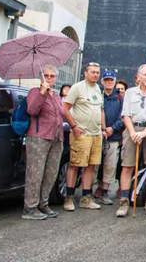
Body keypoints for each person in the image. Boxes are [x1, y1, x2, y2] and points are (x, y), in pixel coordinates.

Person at [116, 64, 146, 217]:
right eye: (145, 75)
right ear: (138, 77)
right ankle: (124, 202)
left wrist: (144, 132)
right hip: (132, 129)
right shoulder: (130, 92)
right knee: (127, 166)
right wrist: (132, 132)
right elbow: (125, 114)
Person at [22, 65, 64, 220]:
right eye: (46, 75)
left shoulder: (56, 95)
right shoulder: (34, 92)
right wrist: (42, 93)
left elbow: (61, 114)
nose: (49, 78)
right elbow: (32, 110)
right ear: (41, 77)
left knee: (51, 173)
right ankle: (30, 207)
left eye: (52, 76)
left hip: (56, 138)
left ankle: (43, 203)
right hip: (39, 137)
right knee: (35, 173)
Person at [62, 62, 105, 212]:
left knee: (91, 166)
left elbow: (100, 110)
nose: (95, 75)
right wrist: (74, 126)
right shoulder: (77, 87)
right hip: (81, 134)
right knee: (75, 165)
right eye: (92, 72)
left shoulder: (98, 88)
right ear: (85, 73)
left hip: (96, 134)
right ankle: (69, 198)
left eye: (97, 72)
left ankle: (86, 198)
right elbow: (65, 108)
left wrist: (103, 129)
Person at [94, 69, 124, 205]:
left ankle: (105, 191)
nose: (109, 82)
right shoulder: (97, 95)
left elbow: (123, 117)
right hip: (97, 135)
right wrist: (101, 129)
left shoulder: (120, 98)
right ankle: (92, 189)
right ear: (102, 81)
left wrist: (113, 128)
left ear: (115, 81)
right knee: (94, 164)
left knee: (110, 165)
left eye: (111, 80)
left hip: (114, 136)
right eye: (106, 80)